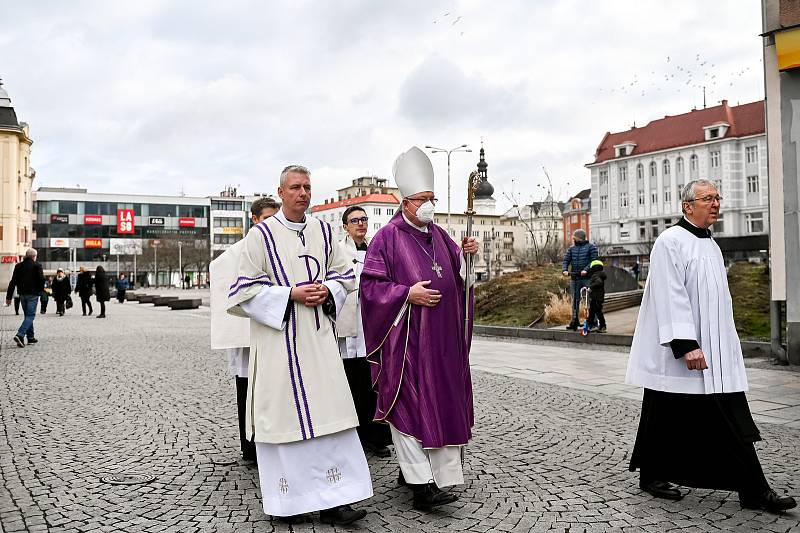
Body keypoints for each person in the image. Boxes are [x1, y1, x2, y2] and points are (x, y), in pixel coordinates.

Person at [626, 179, 796, 513]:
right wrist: (686, 344)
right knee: (671, 410)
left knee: (668, 413)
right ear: (687, 206)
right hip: (683, 349)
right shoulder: (670, 242)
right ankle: (753, 489)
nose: (716, 203)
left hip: (715, 349)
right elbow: (670, 295)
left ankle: (657, 474)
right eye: (708, 198)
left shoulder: (711, 245)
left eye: (717, 197)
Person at [227, 165, 372, 526]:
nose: (303, 193)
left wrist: (329, 290)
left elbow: (345, 274)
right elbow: (242, 291)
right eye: (295, 187)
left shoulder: (324, 231)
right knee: (286, 421)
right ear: (281, 192)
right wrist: (289, 294)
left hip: (319, 341)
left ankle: (336, 501)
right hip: (279, 344)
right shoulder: (260, 236)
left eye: (307, 186)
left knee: (330, 416)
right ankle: (290, 501)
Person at [360, 146, 479, 511]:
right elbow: (370, 288)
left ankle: (436, 477)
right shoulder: (386, 238)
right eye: (422, 199)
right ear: (405, 201)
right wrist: (405, 294)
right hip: (408, 342)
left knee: (442, 405)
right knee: (409, 406)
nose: (429, 204)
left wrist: (469, 257)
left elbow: (460, 280)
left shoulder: (441, 235)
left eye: (432, 198)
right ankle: (421, 487)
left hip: (443, 343)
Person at [210, 196, 280, 463]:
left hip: (272, 332)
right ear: (254, 220)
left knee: (272, 390)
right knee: (247, 389)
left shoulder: (277, 247)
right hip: (246, 337)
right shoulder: (237, 251)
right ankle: (249, 446)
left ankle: (270, 441)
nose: (271, 224)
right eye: (266, 219)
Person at [336, 206, 392, 458]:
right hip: (349, 324)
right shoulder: (338, 251)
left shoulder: (376, 249)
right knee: (353, 381)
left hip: (372, 324)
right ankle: (355, 435)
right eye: (354, 220)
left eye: (363, 219)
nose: (360, 224)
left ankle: (376, 436)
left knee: (374, 382)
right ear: (345, 226)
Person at [5, 248, 45, 347]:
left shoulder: (18, 266)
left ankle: (30, 338)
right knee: (30, 316)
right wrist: (40, 291)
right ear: (34, 256)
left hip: (22, 294)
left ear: (26, 256)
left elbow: (12, 282)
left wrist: (8, 297)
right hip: (33, 294)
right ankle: (20, 334)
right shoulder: (37, 265)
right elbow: (41, 280)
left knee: (27, 315)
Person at [561, 229, 598, 331]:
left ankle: (593, 322)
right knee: (575, 300)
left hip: (587, 278)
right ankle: (574, 320)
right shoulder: (571, 249)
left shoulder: (591, 247)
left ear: (580, 237)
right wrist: (564, 269)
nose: (573, 238)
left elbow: (594, 261)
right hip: (575, 278)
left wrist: (586, 270)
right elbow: (566, 260)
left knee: (589, 300)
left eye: (575, 237)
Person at [587, 259, 607, 333]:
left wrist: (590, 287)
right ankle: (590, 325)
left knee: (598, 312)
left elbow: (599, 282)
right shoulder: (600, 274)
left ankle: (602, 326)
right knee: (592, 311)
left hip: (596, 297)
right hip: (597, 297)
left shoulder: (595, 275)